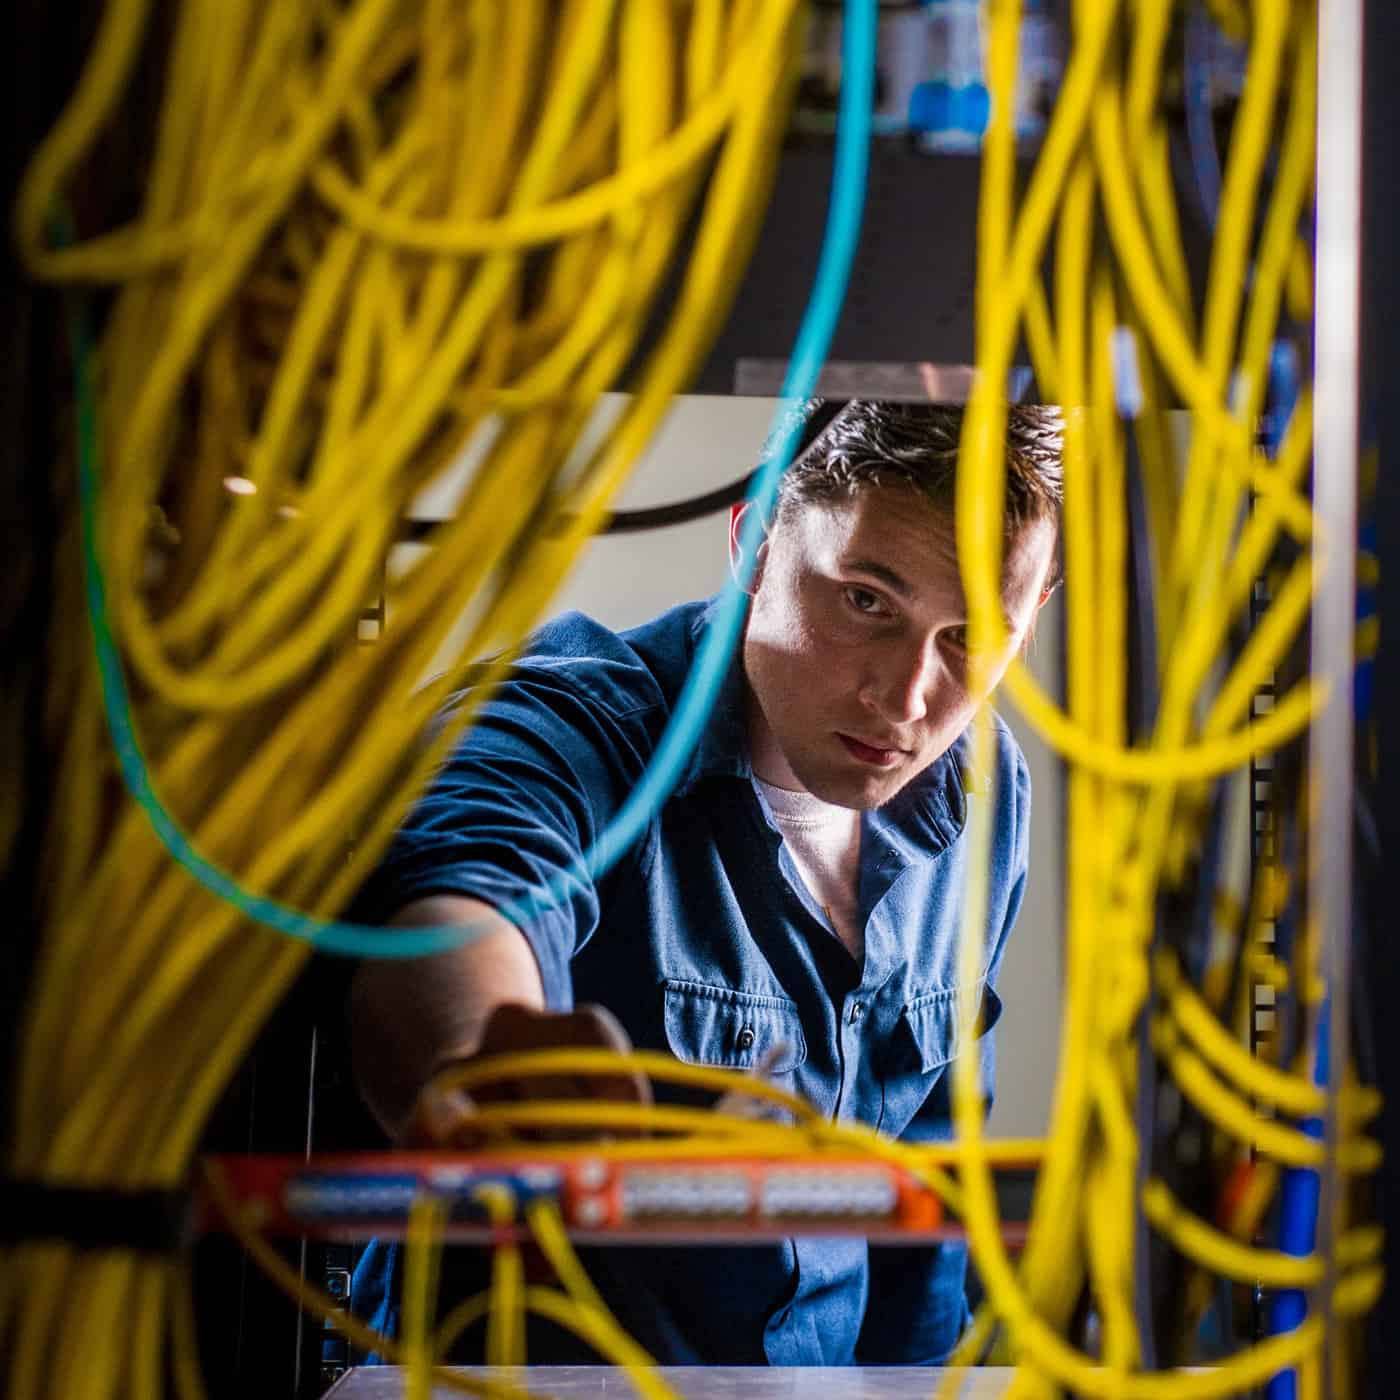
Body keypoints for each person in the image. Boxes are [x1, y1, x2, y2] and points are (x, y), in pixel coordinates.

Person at [347, 398, 1063, 1365]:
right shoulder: (582, 720)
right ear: (755, 542)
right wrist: (476, 1065)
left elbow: (922, 1178)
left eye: (969, 639)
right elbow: (466, 884)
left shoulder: (984, 789)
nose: (905, 700)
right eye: (865, 601)